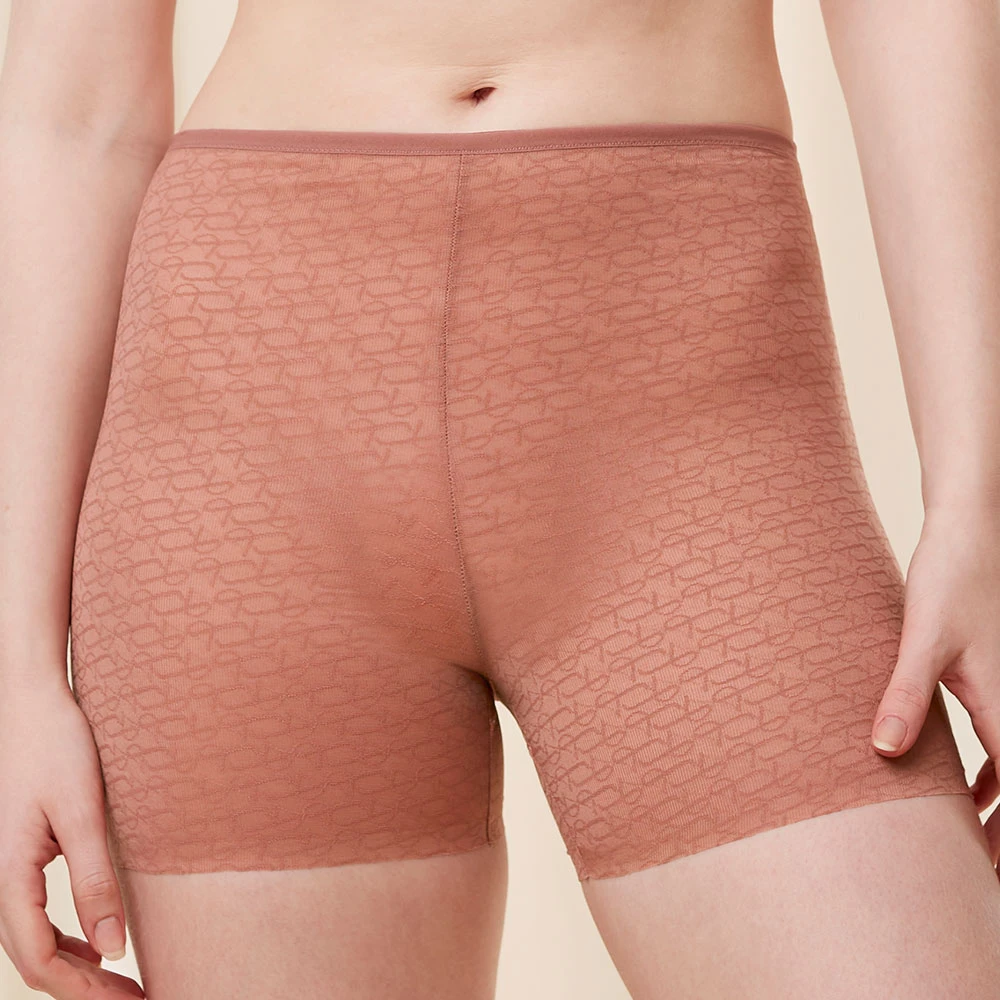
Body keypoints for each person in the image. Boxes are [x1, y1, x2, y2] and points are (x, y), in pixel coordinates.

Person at [2, 1, 1000, 997]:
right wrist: (16, 665)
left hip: (689, 412)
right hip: (242, 435)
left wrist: (977, 508)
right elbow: (74, 107)